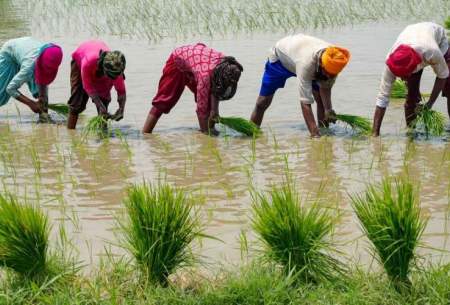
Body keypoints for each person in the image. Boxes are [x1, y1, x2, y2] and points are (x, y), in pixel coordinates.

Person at [250, 33, 351, 138]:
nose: (329, 77)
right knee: (262, 102)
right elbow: (305, 103)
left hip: (305, 61)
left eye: (332, 75)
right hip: (280, 60)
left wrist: (328, 110)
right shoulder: (306, 64)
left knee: (320, 100)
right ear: (321, 64)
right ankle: (251, 134)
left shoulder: (334, 60)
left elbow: (325, 87)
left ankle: (325, 132)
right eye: (327, 74)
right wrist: (314, 135)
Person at [142, 43, 243, 135]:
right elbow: (201, 109)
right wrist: (206, 135)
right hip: (177, 61)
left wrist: (214, 110)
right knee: (164, 101)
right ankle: (145, 134)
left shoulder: (228, 63)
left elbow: (216, 87)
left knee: (208, 101)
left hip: (197, 61)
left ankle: (210, 129)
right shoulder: (205, 77)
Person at [372, 22, 450, 136]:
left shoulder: (432, 52)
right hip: (412, 35)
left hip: (437, 41)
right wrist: (375, 133)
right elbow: (382, 98)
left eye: (405, 76)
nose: (403, 80)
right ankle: (411, 133)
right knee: (411, 97)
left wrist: (430, 103)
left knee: (449, 87)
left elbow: (442, 75)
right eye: (400, 76)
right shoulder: (391, 62)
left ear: (415, 67)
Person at [67, 40, 126, 129]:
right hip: (81, 60)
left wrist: (121, 109)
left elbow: (121, 92)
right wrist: (99, 105)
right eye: (110, 76)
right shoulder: (88, 62)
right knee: (77, 103)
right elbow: (87, 87)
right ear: (104, 69)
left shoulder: (116, 68)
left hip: (101, 66)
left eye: (115, 76)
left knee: (104, 103)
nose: (114, 79)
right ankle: (70, 132)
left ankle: (104, 137)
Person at [0, 37, 63, 121]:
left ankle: (43, 118)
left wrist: (43, 98)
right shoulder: (29, 67)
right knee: (2, 93)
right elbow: (10, 89)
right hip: (10, 52)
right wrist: (30, 103)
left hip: (27, 49)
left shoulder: (50, 55)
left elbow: (43, 82)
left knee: (39, 91)